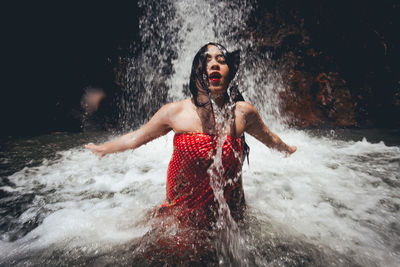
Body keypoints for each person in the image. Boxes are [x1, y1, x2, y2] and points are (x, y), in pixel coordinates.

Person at [86, 42, 296, 230]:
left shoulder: (242, 113)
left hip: (227, 219)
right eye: (207, 60)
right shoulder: (175, 112)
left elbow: (271, 139)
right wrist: (104, 149)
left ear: (229, 72)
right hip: (180, 219)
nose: (214, 64)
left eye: (221, 61)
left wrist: (288, 150)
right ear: (196, 72)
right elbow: (135, 138)